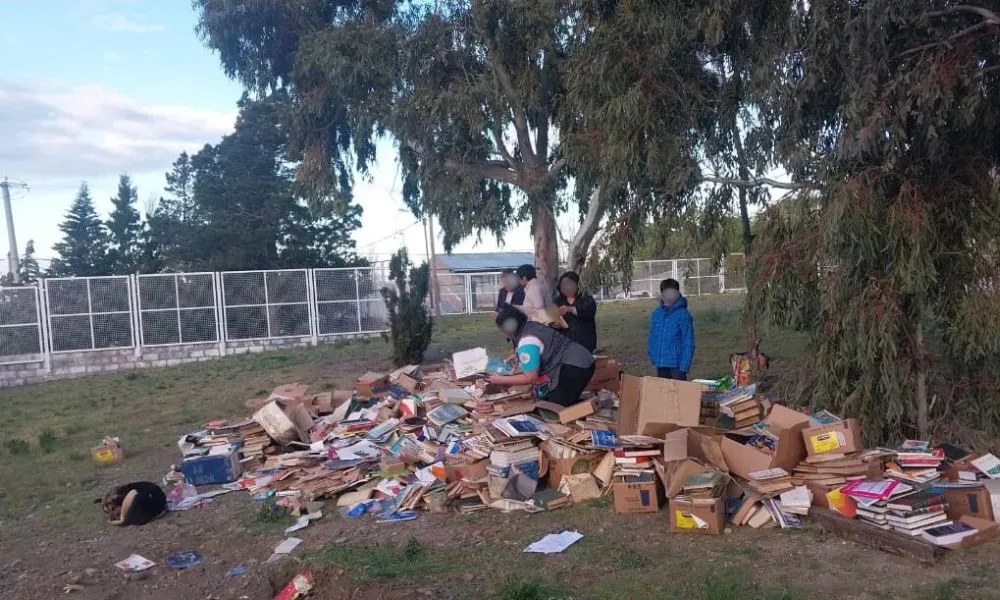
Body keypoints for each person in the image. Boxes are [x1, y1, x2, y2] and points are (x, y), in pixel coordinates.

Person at [489, 304, 595, 407]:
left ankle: (582, 407)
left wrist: (500, 379)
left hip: (575, 366)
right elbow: (541, 346)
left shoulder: (526, 343)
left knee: (552, 407)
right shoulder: (531, 325)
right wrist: (519, 356)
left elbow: (531, 378)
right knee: (551, 399)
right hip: (582, 360)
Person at [647, 278, 695, 380]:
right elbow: (653, 336)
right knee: (663, 393)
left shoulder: (683, 315)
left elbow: (688, 342)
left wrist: (684, 366)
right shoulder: (656, 314)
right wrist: (653, 354)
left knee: (678, 394)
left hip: (677, 366)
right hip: (661, 364)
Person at [553, 271, 598, 353]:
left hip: (584, 343)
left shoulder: (585, 298)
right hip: (564, 344)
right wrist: (556, 324)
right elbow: (552, 321)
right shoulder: (557, 301)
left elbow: (588, 312)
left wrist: (570, 309)